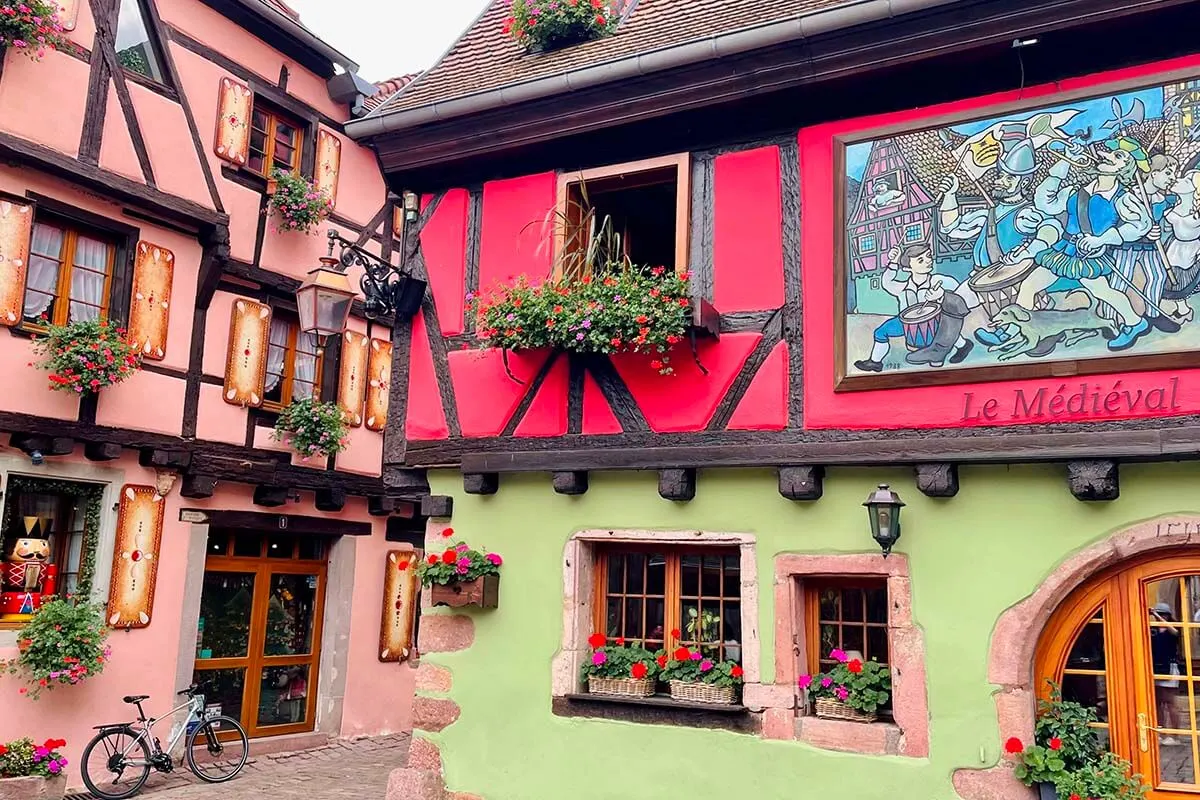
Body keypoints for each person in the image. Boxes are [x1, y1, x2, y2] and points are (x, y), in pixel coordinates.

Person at [1030, 137, 1155, 351]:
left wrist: (1102, 239)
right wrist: (1066, 161)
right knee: (1030, 285)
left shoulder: (1122, 199)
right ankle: (1013, 329)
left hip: (1088, 254)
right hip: (1064, 249)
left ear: (1125, 169)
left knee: (1102, 292)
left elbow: (1141, 225)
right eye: (1109, 152)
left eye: (1117, 157)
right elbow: (1044, 202)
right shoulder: (1075, 191)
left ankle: (1135, 323)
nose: (1105, 155)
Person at [853, 244, 970, 372]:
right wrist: (893, 262)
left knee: (945, 331)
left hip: (935, 320)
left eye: (929, 256)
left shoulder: (939, 281)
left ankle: (963, 346)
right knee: (881, 332)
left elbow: (959, 296)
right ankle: (875, 362)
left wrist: (942, 295)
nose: (928, 261)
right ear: (908, 268)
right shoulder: (902, 287)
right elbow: (887, 283)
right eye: (921, 260)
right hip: (906, 322)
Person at [1150, 602, 1183, 745]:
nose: (1159, 617)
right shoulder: (1153, 630)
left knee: (1170, 702)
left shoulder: (1172, 629)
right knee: (1157, 703)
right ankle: (1161, 732)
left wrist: (1155, 614)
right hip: (1156, 668)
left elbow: (1175, 632)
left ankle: (1175, 735)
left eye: (1162, 614)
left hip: (1169, 667)